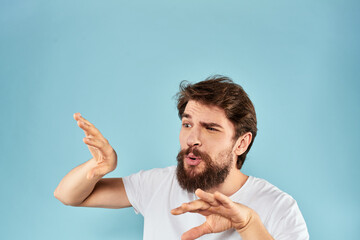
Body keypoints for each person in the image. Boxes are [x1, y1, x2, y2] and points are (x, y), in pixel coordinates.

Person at [54, 75, 309, 240]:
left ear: (241, 143)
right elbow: (68, 195)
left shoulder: (279, 207)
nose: (192, 139)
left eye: (210, 128)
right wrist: (98, 168)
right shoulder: (157, 184)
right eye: (187, 125)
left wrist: (248, 224)